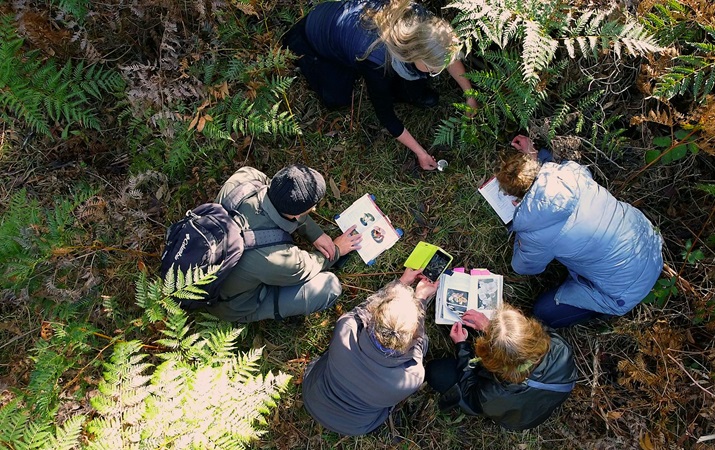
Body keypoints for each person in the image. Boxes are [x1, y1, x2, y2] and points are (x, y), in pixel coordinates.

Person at [283, 0, 478, 170]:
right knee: (336, 98)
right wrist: (420, 152)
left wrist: (470, 95)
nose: (437, 72)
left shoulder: (429, 27)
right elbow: (386, 115)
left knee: (410, 84)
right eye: (433, 69)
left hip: (352, 29)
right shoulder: (377, 59)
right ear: (413, 54)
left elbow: (448, 55)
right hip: (313, 40)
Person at [496, 135, 664, 328]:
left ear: (517, 198)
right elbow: (549, 180)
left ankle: (601, 311)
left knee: (543, 313)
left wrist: (523, 227)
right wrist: (534, 154)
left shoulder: (535, 233)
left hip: (624, 292)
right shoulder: (572, 173)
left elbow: (523, 267)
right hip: (650, 241)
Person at [205, 165, 362, 323]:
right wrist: (336, 250)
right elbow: (308, 266)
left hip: (204, 261)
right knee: (329, 287)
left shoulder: (246, 177)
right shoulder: (275, 258)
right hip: (229, 306)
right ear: (298, 214)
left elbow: (280, 202)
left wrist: (315, 233)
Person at [302, 268, 438, 435]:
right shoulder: (413, 376)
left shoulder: (345, 329)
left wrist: (401, 283)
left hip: (313, 397)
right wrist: (421, 299)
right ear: (413, 333)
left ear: (375, 314)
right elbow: (419, 346)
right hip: (355, 427)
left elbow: (364, 309)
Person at [426, 306, 577, 430]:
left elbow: (470, 396)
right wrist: (492, 328)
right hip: (541, 397)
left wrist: (462, 347)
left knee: (436, 372)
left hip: (515, 411)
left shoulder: (494, 393)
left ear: (493, 361)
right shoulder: (560, 348)